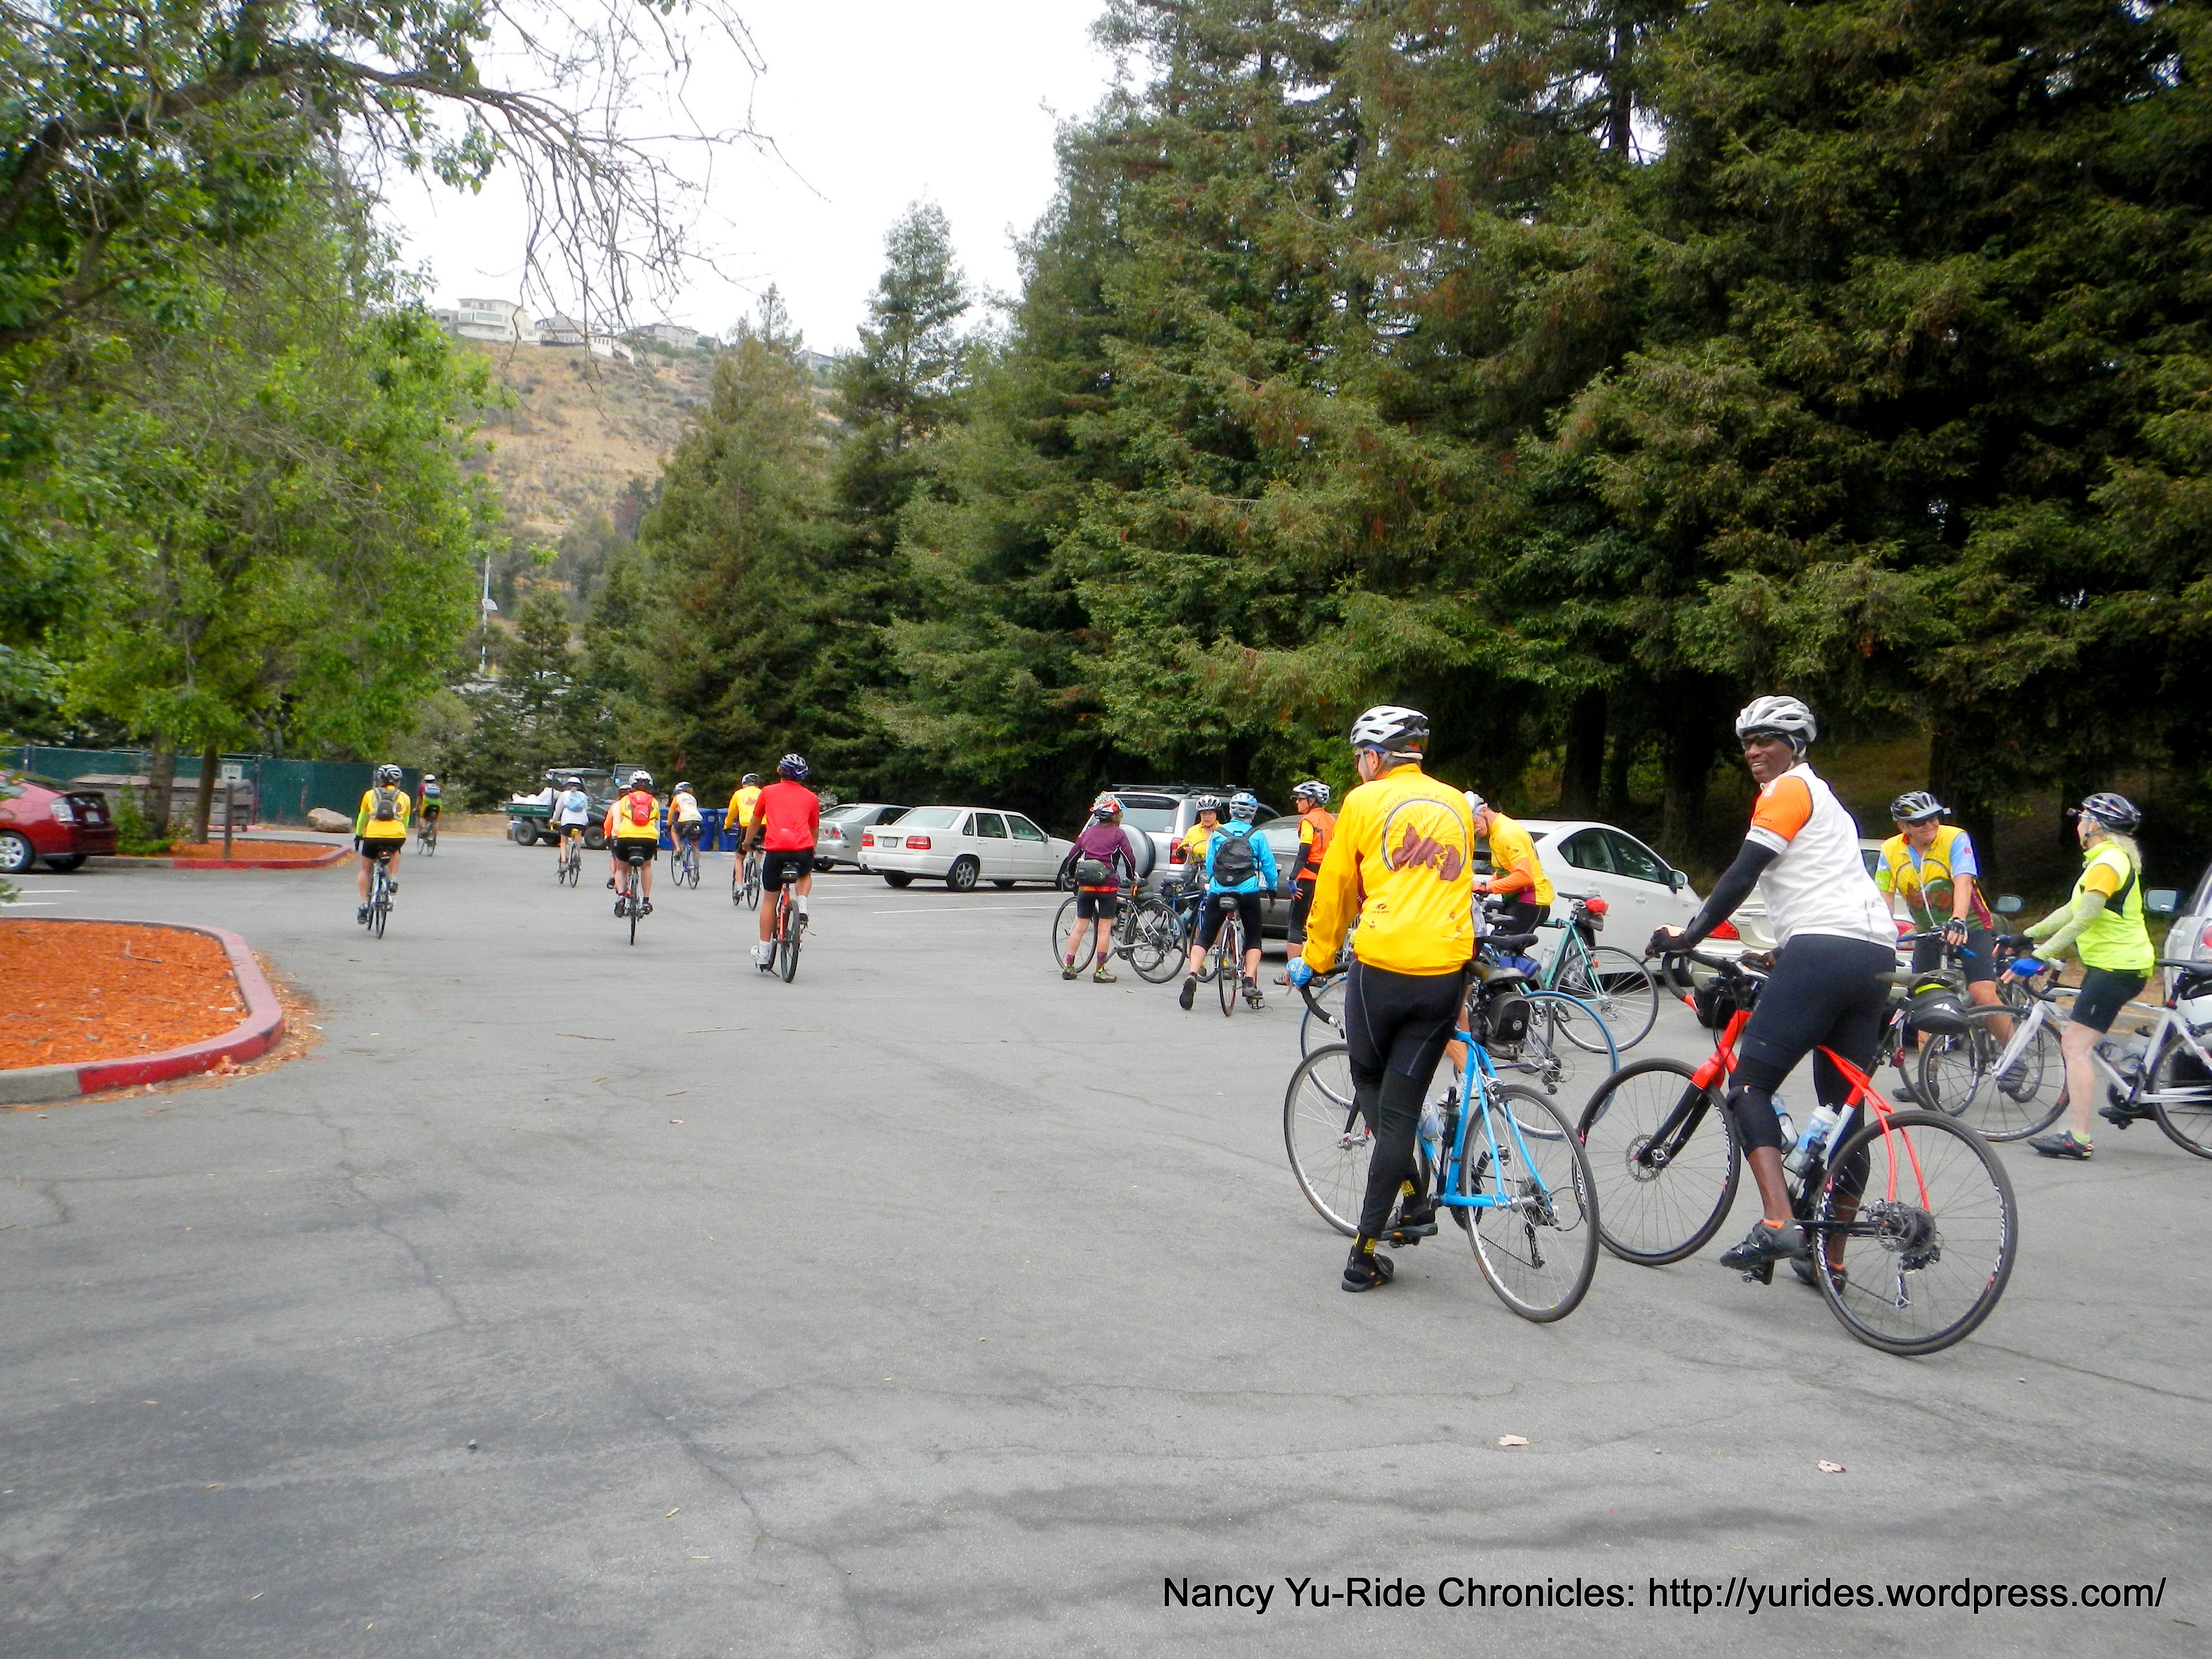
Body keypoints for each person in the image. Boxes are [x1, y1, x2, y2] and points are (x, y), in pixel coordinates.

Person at [1647, 695, 1897, 1280]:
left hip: (1823, 952)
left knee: (1749, 1087)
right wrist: (1779, 950)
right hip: (1874, 957)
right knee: (1842, 1116)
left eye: (1769, 741)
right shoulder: (1830, 803)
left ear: (1797, 748)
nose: (1756, 752)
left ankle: (1779, 1224)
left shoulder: (1787, 791)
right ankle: (1828, 1262)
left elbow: (1744, 871)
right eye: (1748, 743)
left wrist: (1688, 936)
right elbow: (1828, 890)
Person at [1285, 707, 1476, 1291]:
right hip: (1446, 968)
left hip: (1382, 967)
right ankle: (1414, 1196)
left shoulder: (1362, 803)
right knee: (1405, 1100)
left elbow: (1337, 889)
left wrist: (1313, 958)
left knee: (1374, 1088)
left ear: (1373, 758)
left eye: (1359, 757)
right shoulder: (1458, 806)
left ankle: (1364, 1253)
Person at [2010, 793, 2156, 1161]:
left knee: (2076, 1045)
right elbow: (2069, 910)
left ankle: (2079, 1137)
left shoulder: (2107, 863)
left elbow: (2085, 918)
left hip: (2117, 966)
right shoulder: (2104, 861)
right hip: (2112, 964)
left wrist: (2041, 956)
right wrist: (2026, 936)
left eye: (2082, 819)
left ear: (2094, 826)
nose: (2078, 825)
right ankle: (2136, 1083)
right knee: (2085, 1036)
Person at [1877, 792, 2014, 1098]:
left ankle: (2014, 1057)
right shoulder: (1890, 851)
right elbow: (1885, 896)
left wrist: (1958, 919)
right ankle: (1929, 1080)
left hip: (1972, 925)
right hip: (1928, 930)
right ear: (1904, 827)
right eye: (1920, 821)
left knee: (1981, 991)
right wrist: (1882, 933)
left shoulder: (1955, 838)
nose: (1931, 824)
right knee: (1927, 999)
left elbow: (1963, 881)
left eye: (1934, 817)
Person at [1177, 791, 1278, 1011]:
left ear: (1231, 811)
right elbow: (1269, 867)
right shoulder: (1257, 836)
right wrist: (1271, 888)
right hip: (1247, 891)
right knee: (1253, 936)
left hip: (1219, 889)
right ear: (1252, 814)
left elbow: (1212, 864)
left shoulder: (1218, 834)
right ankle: (1250, 981)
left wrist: (1216, 882)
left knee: (1205, 935)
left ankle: (1192, 974)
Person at [745, 754, 821, 969]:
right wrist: (811, 849)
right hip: (802, 850)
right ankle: (802, 903)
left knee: (770, 900)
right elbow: (814, 827)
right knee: (805, 875)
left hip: (777, 851)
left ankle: (763, 952)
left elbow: (756, 820)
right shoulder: (811, 797)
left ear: (780, 771)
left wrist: (747, 843)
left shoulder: (767, 792)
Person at [1057, 794, 1140, 981]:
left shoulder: (1087, 833)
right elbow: (1130, 858)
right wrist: (1130, 876)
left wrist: (1071, 875)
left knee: (1080, 926)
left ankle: (1069, 967)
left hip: (1086, 885)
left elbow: (1072, 856)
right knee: (1104, 928)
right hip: (1107, 886)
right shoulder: (1119, 834)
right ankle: (1100, 971)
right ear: (1115, 815)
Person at [1468, 792, 1554, 937]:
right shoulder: (1496, 832)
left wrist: (1489, 887)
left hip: (1531, 902)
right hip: (1517, 901)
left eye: (1474, 821)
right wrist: (1486, 886)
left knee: (1506, 951)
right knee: (1495, 946)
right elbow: (1505, 869)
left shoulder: (1506, 833)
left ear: (1483, 811)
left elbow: (1524, 875)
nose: (1474, 828)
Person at [1277, 780, 1335, 984]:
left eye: (1300, 799)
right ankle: (1315, 971)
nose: (1297, 804)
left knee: (1295, 924)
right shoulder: (1331, 821)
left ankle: (1292, 974)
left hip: (1308, 878)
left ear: (1312, 801)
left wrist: (1292, 878)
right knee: (1315, 926)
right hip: (1326, 879)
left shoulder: (1309, 821)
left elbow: (1304, 852)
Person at [354, 763, 410, 922]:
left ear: (379, 780)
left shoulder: (369, 795)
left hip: (373, 836)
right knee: (395, 851)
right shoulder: (404, 797)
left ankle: (365, 904)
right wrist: (400, 834)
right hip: (396, 836)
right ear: (398, 781)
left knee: (365, 869)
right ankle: (392, 878)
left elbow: (362, 818)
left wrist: (359, 835)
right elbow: (405, 822)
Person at [603, 770, 661, 913]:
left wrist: (615, 838)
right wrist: (657, 842)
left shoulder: (624, 801)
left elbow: (618, 821)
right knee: (646, 867)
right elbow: (657, 824)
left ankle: (622, 896)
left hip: (626, 837)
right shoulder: (654, 802)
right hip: (649, 838)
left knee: (622, 868)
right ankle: (646, 901)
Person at [551, 774, 593, 874]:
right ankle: (577, 854)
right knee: (578, 836)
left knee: (563, 842)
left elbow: (558, 810)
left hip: (567, 821)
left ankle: (564, 863)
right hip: (582, 821)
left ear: (568, 785)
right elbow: (586, 809)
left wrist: (553, 820)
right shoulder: (583, 795)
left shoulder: (565, 794)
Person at [726, 773, 763, 873]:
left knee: (739, 858)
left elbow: (732, 813)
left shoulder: (738, 794)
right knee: (761, 846)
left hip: (746, 825)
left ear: (744, 784)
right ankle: (757, 865)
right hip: (764, 824)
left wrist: (727, 826)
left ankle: (740, 886)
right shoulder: (763, 793)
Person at [669, 781, 704, 870]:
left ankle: (678, 849)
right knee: (695, 845)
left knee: (674, 830)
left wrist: (669, 823)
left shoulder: (678, 797)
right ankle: (696, 869)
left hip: (685, 819)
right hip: (698, 819)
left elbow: (671, 811)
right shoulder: (693, 798)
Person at [415, 773, 443, 841]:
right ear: (434, 781)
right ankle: (434, 838)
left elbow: (420, 799)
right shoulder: (438, 787)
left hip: (427, 804)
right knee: (435, 821)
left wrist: (417, 808)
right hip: (438, 805)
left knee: (422, 817)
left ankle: (424, 830)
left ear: (425, 780)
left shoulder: (423, 787)